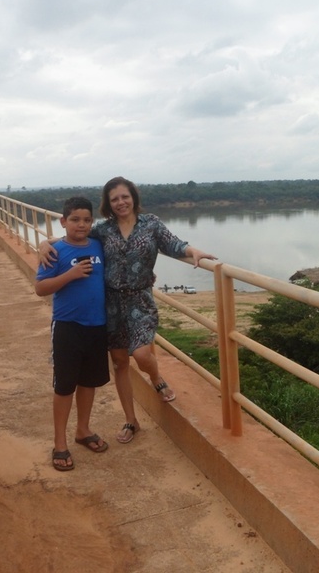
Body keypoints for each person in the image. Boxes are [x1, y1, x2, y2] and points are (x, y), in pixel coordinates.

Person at [39, 177, 216, 444]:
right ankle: (130, 421)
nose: (121, 202)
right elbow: (74, 233)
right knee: (120, 363)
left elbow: (174, 244)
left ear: (133, 197)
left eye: (124, 197)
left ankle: (156, 378)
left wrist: (194, 252)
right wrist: (45, 243)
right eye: (114, 199)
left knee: (142, 353)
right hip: (110, 304)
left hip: (140, 301)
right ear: (108, 204)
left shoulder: (151, 224)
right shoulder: (104, 230)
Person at [35, 196, 109, 471]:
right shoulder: (55, 252)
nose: (81, 224)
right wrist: (71, 274)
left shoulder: (98, 245)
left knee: (88, 382)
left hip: (97, 325)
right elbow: (41, 289)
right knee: (64, 386)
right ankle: (59, 443)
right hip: (67, 326)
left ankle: (83, 430)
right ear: (63, 222)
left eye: (87, 219)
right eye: (75, 219)